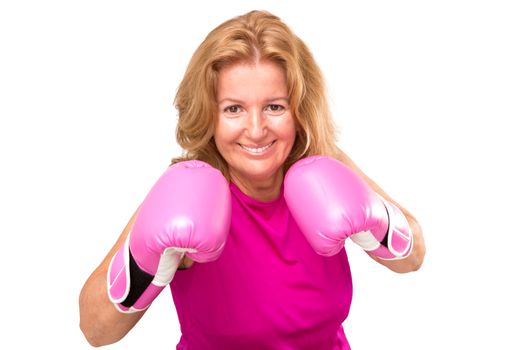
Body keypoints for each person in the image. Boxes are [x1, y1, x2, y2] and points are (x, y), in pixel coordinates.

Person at [79, 10, 425, 349]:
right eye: (234, 109)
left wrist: (375, 222)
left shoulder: (323, 171)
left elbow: (413, 257)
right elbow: (96, 331)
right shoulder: (190, 193)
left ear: (299, 110)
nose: (256, 130)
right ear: (208, 115)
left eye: (274, 106)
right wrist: (147, 263)